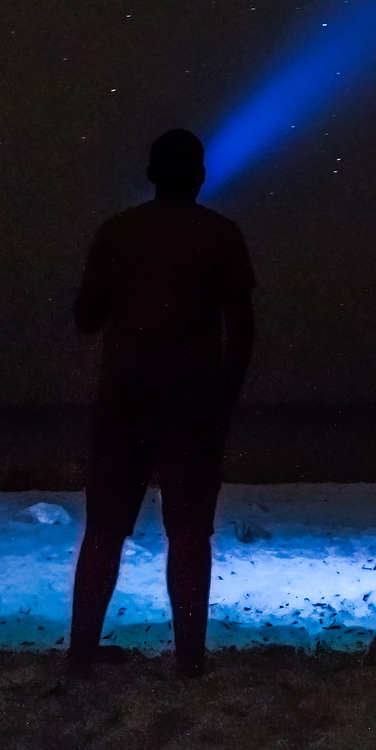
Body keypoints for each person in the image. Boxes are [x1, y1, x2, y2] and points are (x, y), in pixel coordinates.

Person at [66, 128, 257, 680]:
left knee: (104, 525)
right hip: (193, 399)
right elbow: (241, 327)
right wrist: (226, 394)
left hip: (125, 396)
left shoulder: (118, 233)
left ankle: (81, 653)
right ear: (199, 175)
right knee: (191, 529)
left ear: (151, 175)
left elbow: (86, 318)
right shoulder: (219, 235)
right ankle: (190, 658)